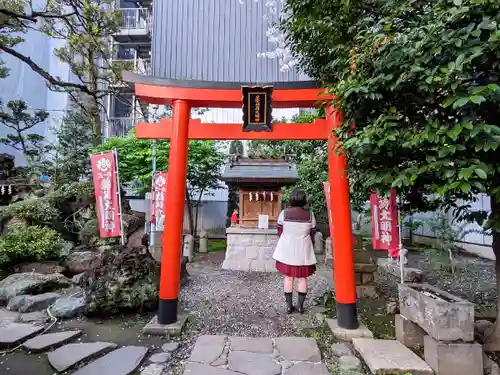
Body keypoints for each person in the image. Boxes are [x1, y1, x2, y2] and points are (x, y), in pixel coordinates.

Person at [273, 189, 317, 314]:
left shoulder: (284, 213)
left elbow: (279, 231)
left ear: (291, 199)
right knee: (303, 279)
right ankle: (300, 307)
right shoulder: (310, 214)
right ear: (304, 200)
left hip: (287, 250)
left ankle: (288, 307)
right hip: (304, 251)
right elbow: (312, 233)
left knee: (288, 278)